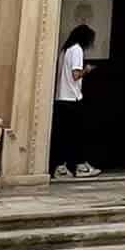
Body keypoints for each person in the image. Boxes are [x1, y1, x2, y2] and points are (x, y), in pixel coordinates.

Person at [52, 23, 102, 179]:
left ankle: (61, 167)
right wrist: (87, 70)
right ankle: (81, 166)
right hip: (72, 98)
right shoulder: (77, 50)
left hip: (61, 97)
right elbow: (75, 74)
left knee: (64, 134)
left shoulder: (64, 50)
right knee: (78, 134)